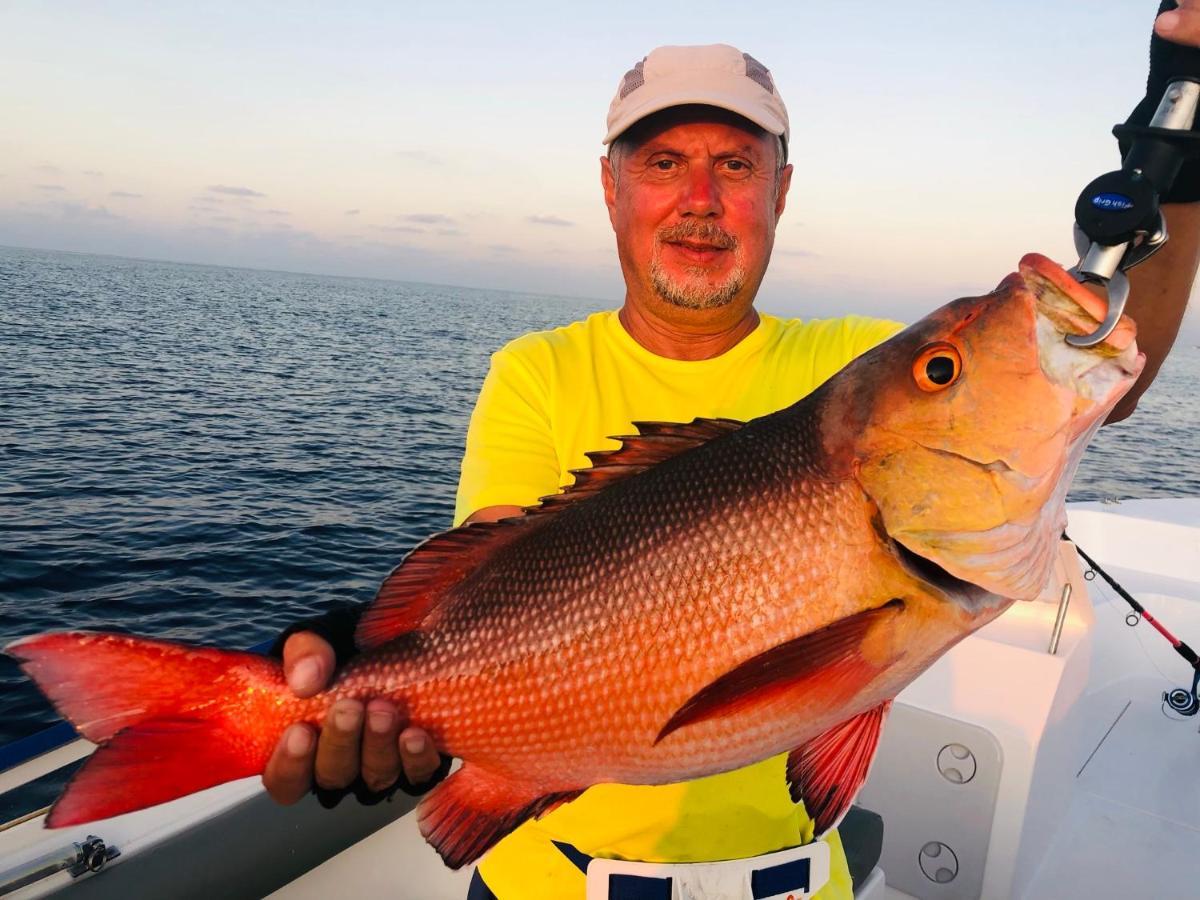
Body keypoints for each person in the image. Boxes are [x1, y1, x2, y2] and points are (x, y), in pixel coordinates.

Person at [263, 5, 1200, 897]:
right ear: (611, 185)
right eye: (664, 161)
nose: (701, 201)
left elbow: (1112, 356)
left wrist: (1185, 135)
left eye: (738, 166)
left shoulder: (846, 363)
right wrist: (360, 659)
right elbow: (497, 556)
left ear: (781, 189)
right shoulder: (534, 372)